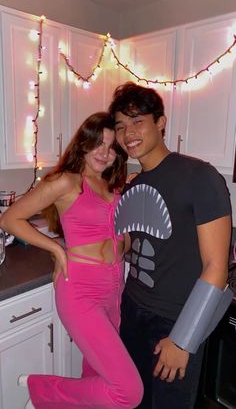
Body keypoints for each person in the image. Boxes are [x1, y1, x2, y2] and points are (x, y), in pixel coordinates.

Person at [0, 112, 143, 409]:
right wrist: (57, 249)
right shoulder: (68, 182)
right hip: (81, 290)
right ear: (83, 145)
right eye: (98, 145)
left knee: (98, 372)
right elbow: (10, 218)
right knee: (128, 392)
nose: (105, 153)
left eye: (111, 146)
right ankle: (42, 390)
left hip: (114, 289)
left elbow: (120, 238)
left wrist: (128, 236)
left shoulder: (113, 187)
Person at [108, 82, 232, 409]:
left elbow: (216, 268)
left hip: (174, 321)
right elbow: (130, 247)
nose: (127, 133)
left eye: (138, 121)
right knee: (135, 402)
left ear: (160, 122)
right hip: (132, 310)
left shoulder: (200, 177)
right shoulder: (134, 184)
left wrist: (183, 339)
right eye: (121, 126)